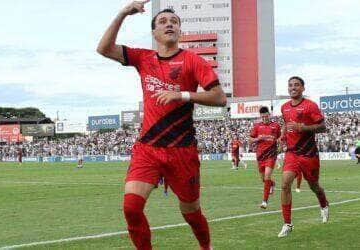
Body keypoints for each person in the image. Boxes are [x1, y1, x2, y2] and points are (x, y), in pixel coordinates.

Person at [97, 2, 227, 249]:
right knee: (131, 207)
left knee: (191, 212)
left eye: (174, 22)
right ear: (154, 33)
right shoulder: (143, 58)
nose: (169, 24)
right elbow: (103, 49)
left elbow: (220, 98)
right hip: (148, 148)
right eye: (163, 21)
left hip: (182, 151)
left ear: (179, 31)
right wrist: (123, 13)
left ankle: (206, 247)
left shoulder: (193, 61)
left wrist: (183, 95)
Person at [278, 76, 329, 238]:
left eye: (297, 85)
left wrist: (303, 127)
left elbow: (322, 127)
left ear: (303, 88)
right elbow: (286, 124)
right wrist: (282, 136)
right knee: (285, 184)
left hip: (309, 154)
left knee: (314, 186)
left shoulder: (310, 105)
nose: (293, 87)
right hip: (292, 153)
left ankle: (323, 203)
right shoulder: (284, 107)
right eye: (290, 85)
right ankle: (287, 223)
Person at [249, 106, 281, 209]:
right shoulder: (257, 126)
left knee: (267, 176)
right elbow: (250, 140)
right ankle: (272, 183)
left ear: (269, 115)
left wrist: (280, 147)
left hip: (271, 155)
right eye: (262, 117)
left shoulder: (276, 126)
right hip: (260, 156)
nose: (264, 118)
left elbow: (280, 138)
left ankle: (264, 201)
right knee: (264, 179)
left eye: (266, 116)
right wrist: (258, 138)